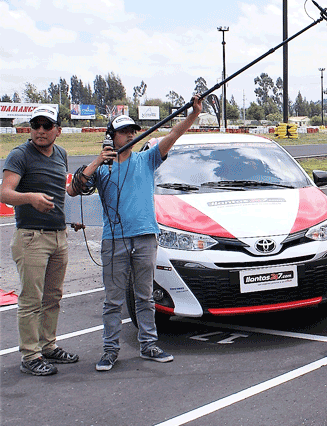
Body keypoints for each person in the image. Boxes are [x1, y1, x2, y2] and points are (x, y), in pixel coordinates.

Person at [69, 95, 202, 371]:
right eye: (123, 131)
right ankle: (109, 350)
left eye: (132, 130)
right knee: (113, 300)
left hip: (145, 237)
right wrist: (98, 160)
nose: (130, 135)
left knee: (145, 296)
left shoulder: (147, 159)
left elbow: (173, 135)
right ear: (111, 136)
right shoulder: (101, 168)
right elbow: (73, 189)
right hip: (114, 240)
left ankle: (148, 344)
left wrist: (192, 115)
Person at [2, 105, 79, 376]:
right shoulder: (20, 154)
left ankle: (48, 346)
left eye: (47, 126)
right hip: (31, 237)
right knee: (31, 299)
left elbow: (61, 191)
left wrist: (72, 217)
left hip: (58, 235)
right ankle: (30, 355)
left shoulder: (61, 154)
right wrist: (30, 198)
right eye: (36, 125)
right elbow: (4, 193)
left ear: (58, 130)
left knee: (53, 296)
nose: (41, 131)